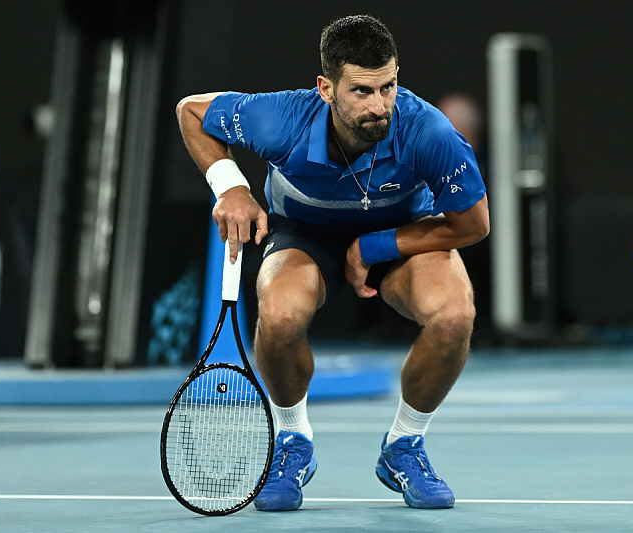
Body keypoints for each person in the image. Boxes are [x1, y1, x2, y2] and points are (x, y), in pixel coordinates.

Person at [176, 14, 489, 511]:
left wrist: (375, 248)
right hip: (305, 236)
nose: (379, 105)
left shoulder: (428, 131)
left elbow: (472, 224)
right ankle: (293, 441)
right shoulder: (280, 119)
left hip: (398, 233)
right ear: (325, 88)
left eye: (387, 87)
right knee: (277, 316)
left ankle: (404, 444)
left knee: (454, 316)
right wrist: (230, 185)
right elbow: (191, 112)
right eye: (362, 91)